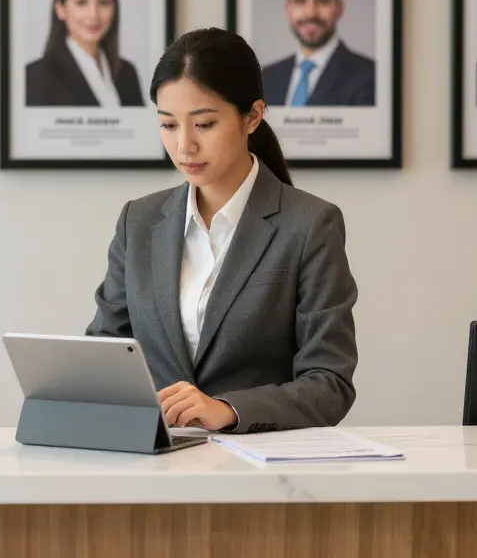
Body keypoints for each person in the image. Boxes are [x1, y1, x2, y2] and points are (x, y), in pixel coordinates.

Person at [85, 26, 359, 434]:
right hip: (153, 461)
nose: (184, 147)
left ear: (252, 116)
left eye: (204, 124)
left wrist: (227, 409)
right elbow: (105, 357)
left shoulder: (309, 225)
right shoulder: (138, 222)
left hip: (260, 468)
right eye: (169, 125)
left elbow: (329, 383)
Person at [25, 0, 145, 107]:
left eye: (103, 2)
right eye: (81, 2)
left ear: (114, 9)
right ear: (60, 9)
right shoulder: (36, 77)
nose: (93, 15)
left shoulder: (126, 73)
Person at [261, 0, 375, 107]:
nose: (311, 13)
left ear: (339, 8)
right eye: (300, 2)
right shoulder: (266, 78)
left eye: (322, 1)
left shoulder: (370, 76)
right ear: (288, 9)